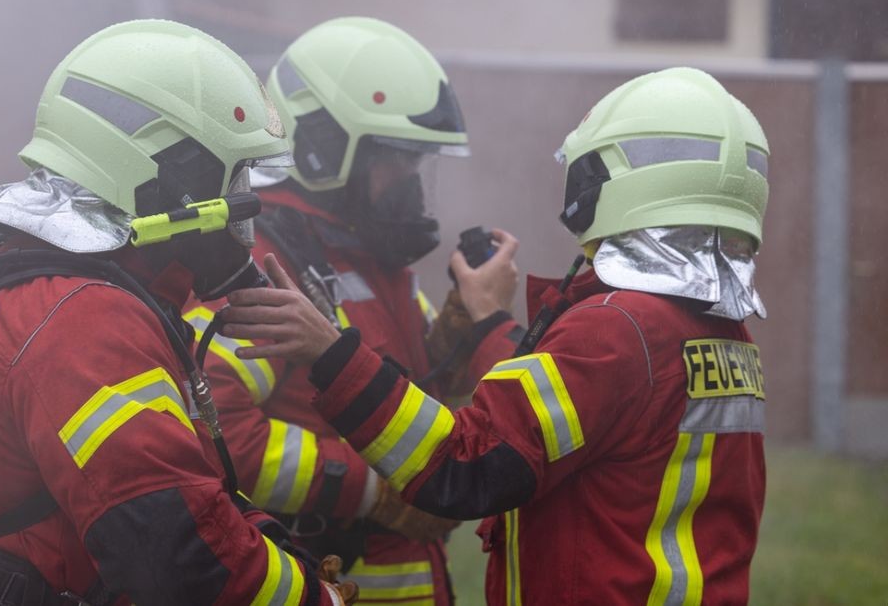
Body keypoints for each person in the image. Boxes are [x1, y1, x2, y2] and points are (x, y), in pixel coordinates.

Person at [222, 67, 770, 604]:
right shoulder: (723, 330)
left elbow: (468, 465)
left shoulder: (615, 329)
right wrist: (483, 326)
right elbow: (578, 415)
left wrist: (332, 354)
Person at [0, 20, 358, 605]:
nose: (241, 210)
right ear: (170, 179)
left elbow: (184, 491)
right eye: (231, 177)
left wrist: (281, 555)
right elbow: (174, 560)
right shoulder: (83, 324)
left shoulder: (23, 276)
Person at [184, 16, 524, 606]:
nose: (410, 183)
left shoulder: (373, 261)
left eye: (419, 163)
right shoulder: (263, 263)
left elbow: (400, 395)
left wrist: (457, 337)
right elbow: (216, 434)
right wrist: (372, 489)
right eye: (396, 160)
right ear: (322, 147)